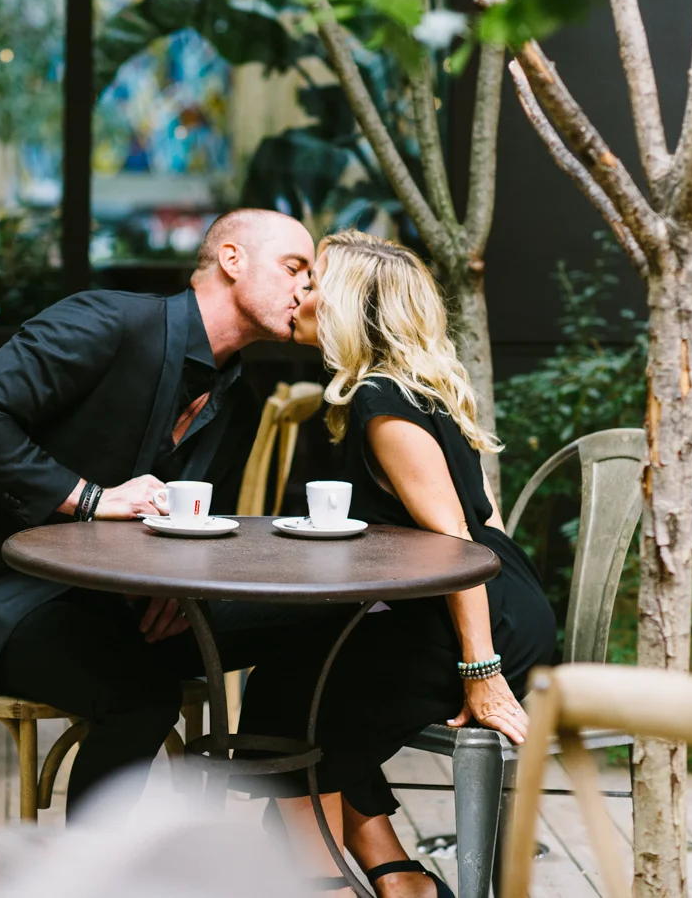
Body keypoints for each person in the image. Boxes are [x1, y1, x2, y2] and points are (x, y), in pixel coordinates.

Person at [0, 207, 327, 816]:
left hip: (127, 610)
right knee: (144, 698)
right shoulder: (106, 321)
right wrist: (91, 498)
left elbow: (201, 520)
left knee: (316, 621)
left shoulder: (241, 401)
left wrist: (186, 588)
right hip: (9, 601)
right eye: (295, 268)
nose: (306, 289)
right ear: (232, 260)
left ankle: (296, 835)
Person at [236, 231, 557, 897]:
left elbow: (458, 547)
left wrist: (482, 668)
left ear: (349, 306)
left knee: (287, 701)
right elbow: (488, 520)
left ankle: (341, 882)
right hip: (493, 603)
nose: (299, 292)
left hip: (474, 615)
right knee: (295, 681)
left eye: (314, 282)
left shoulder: (383, 404)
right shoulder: (413, 391)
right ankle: (399, 879)